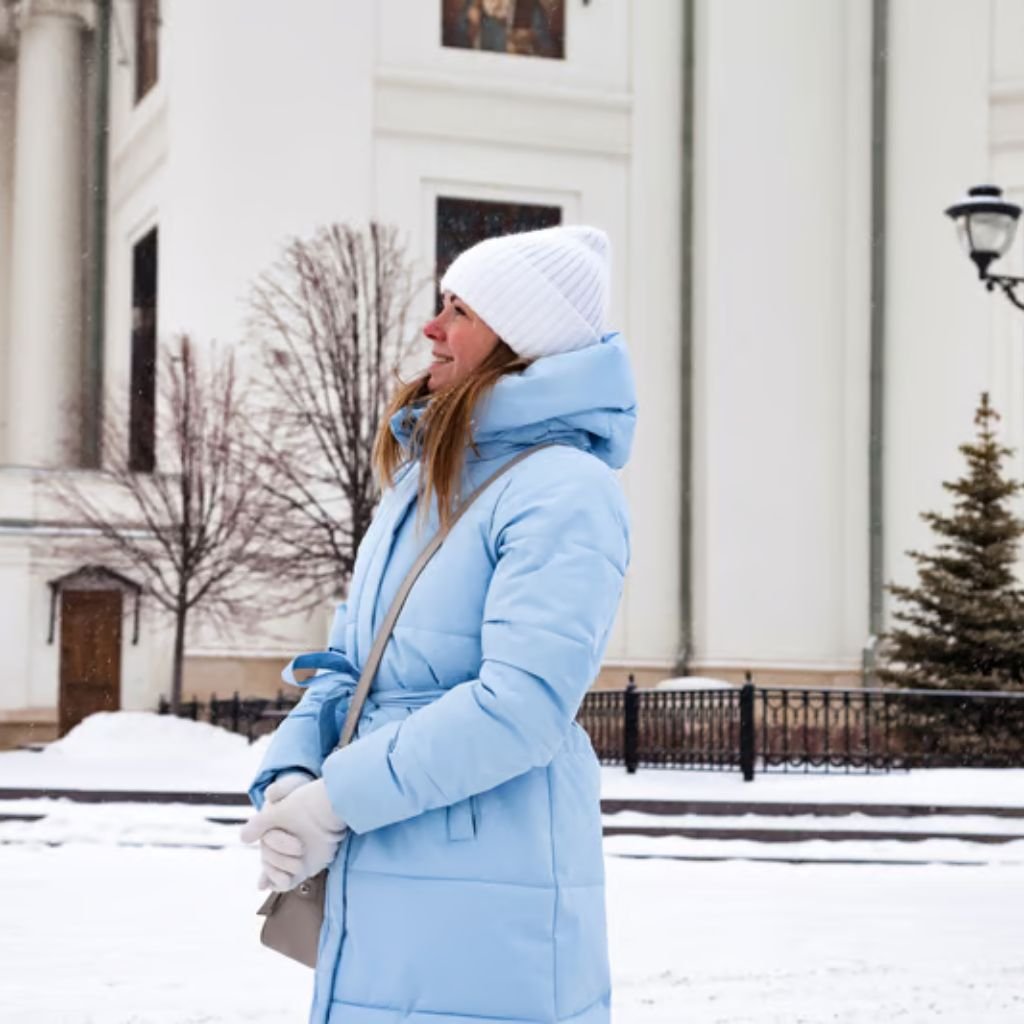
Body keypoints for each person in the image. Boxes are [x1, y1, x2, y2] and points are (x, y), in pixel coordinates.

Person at [240, 224, 637, 1024]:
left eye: (461, 310)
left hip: (485, 888)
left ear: (518, 339)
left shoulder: (564, 489)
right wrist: (293, 775)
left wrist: (336, 802)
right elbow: (351, 667)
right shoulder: (422, 484)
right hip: (383, 860)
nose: (432, 327)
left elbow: (520, 708)